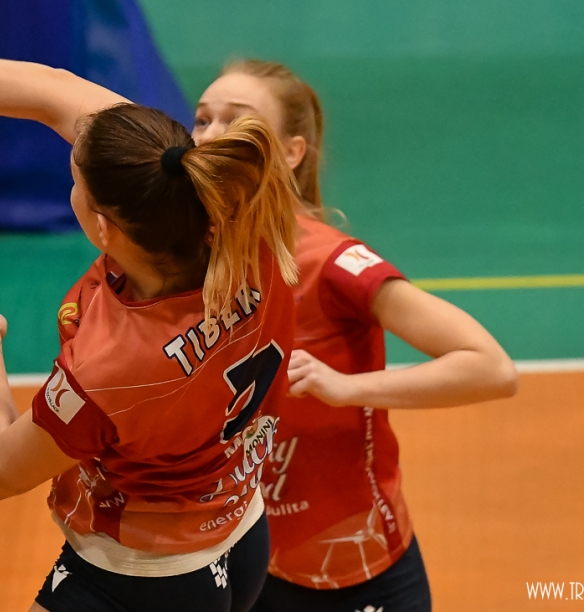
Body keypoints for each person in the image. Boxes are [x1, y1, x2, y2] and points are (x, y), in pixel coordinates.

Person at [0, 14, 300, 612]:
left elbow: (0, 468)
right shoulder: (249, 224)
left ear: (102, 227)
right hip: (240, 529)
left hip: (141, 582)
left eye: (75, 178)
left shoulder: (113, 364)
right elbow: (51, 91)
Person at [190, 60, 518, 612]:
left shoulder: (331, 263)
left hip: (351, 571)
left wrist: (347, 388)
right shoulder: (193, 261)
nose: (211, 135)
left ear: (291, 153)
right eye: (202, 120)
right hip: (244, 558)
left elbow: (491, 368)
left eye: (238, 121)